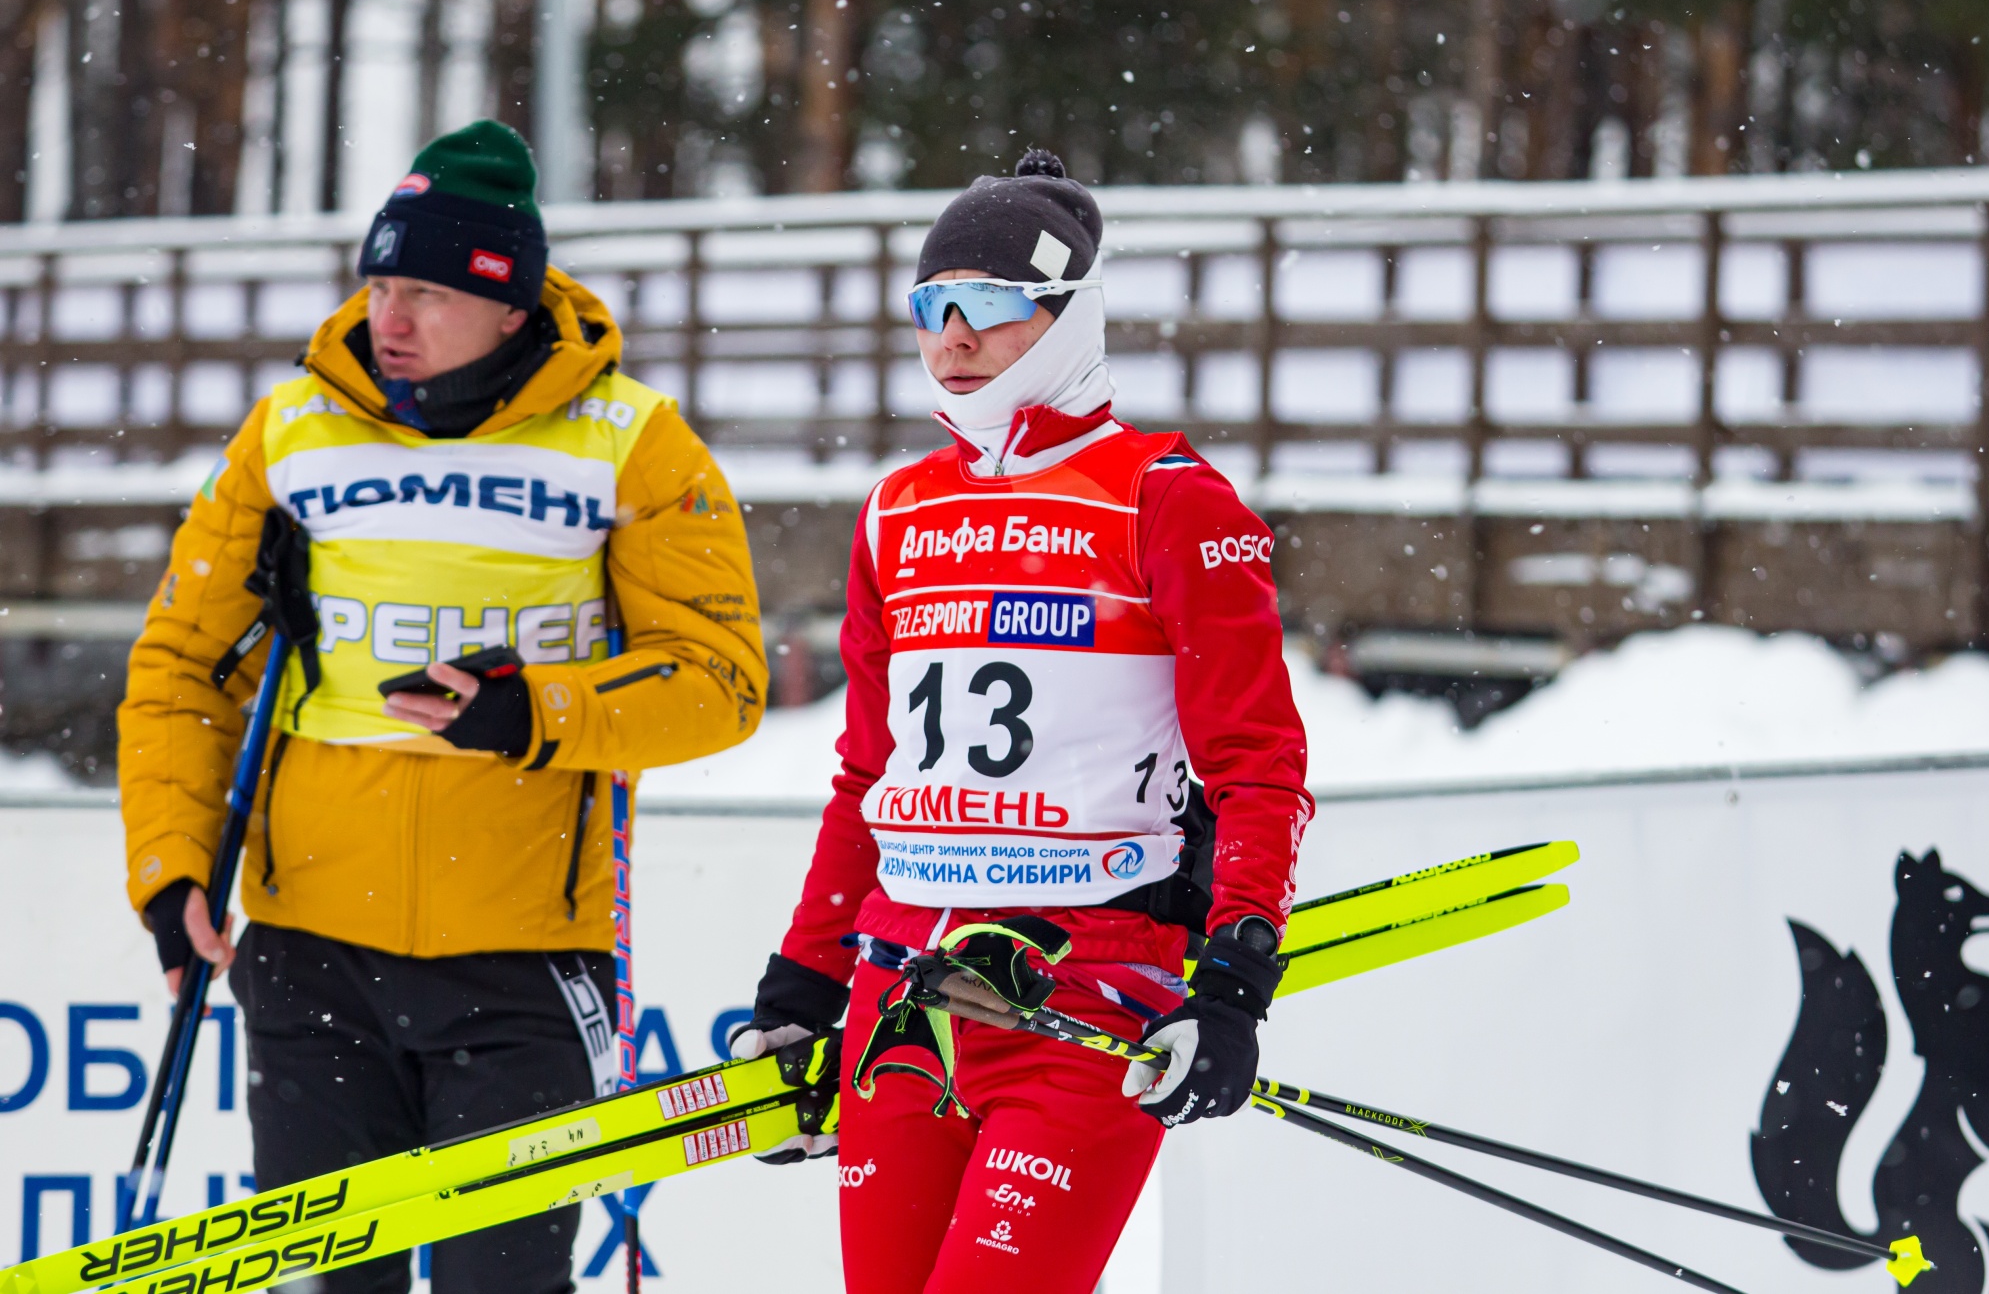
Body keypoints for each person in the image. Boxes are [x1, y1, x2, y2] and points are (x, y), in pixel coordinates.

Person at [118, 120, 767, 1294]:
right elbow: (180, 666)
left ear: (510, 305)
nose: (390, 319)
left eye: (426, 291)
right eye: (379, 284)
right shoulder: (291, 432)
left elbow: (718, 679)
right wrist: (172, 868)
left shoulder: (631, 440)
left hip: (522, 961)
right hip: (313, 953)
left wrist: (536, 711)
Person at [731, 149, 1312, 1293]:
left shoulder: (1165, 496)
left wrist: (1234, 974)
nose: (950, 335)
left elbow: (1258, 764)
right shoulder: (897, 509)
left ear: (1063, 320)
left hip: (1082, 991)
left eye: (986, 307)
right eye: (927, 306)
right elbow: (866, 774)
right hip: (898, 991)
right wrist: (802, 983)